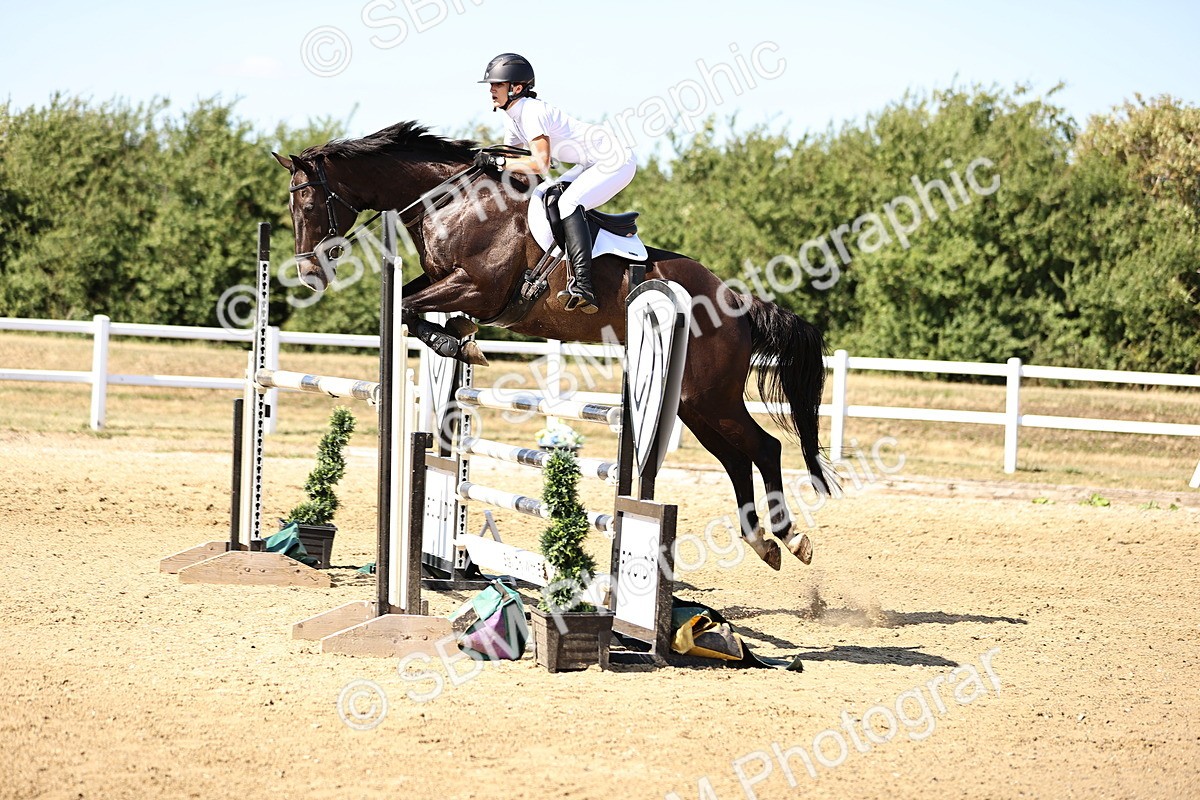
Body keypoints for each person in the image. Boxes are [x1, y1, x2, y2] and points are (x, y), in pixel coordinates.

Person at [473, 53, 636, 314]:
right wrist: (484, 161)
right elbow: (512, 157)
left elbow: (539, 164)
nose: (491, 90)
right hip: (590, 164)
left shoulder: (531, 112)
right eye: (491, 85)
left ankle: (584, 285)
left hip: (616, 160)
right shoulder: (512, 115)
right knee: (549, 194)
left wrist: (499, 163)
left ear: (516, 88)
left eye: (497, 85)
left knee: (570, 202)